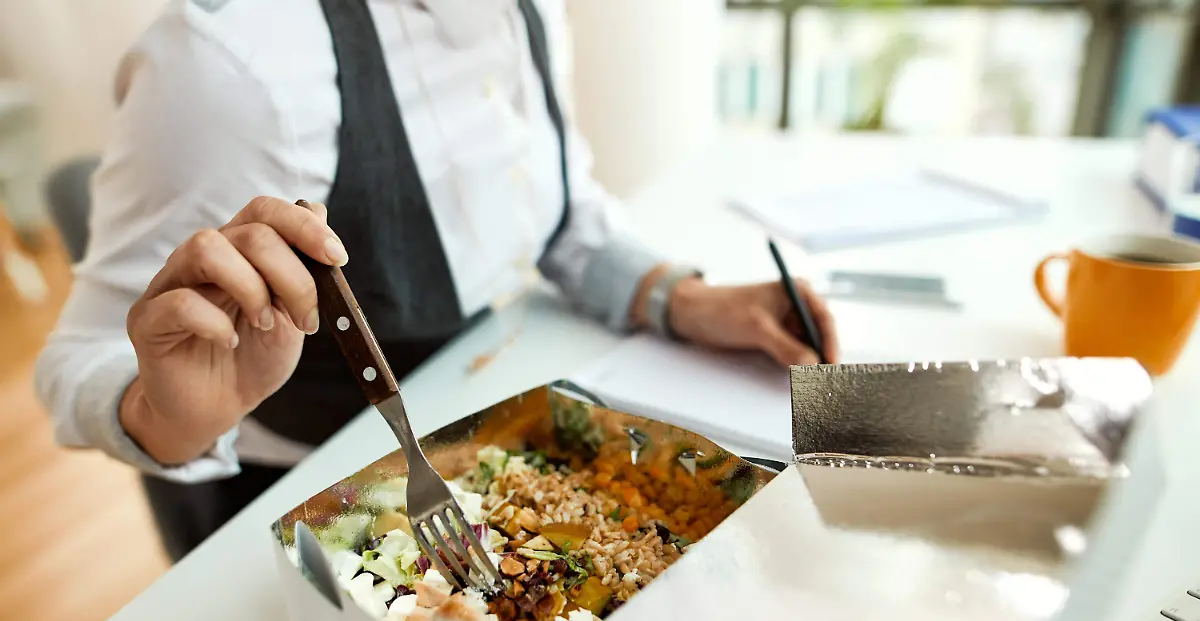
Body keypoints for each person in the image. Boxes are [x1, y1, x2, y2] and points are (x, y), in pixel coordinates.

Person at [34, 0, 839, 563]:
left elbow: (553, 205)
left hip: (484, 437)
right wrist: (163, 414)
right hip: (304, 498)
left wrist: (680, 300)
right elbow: (77, 355)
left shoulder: (522, 10)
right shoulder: (233, 65)